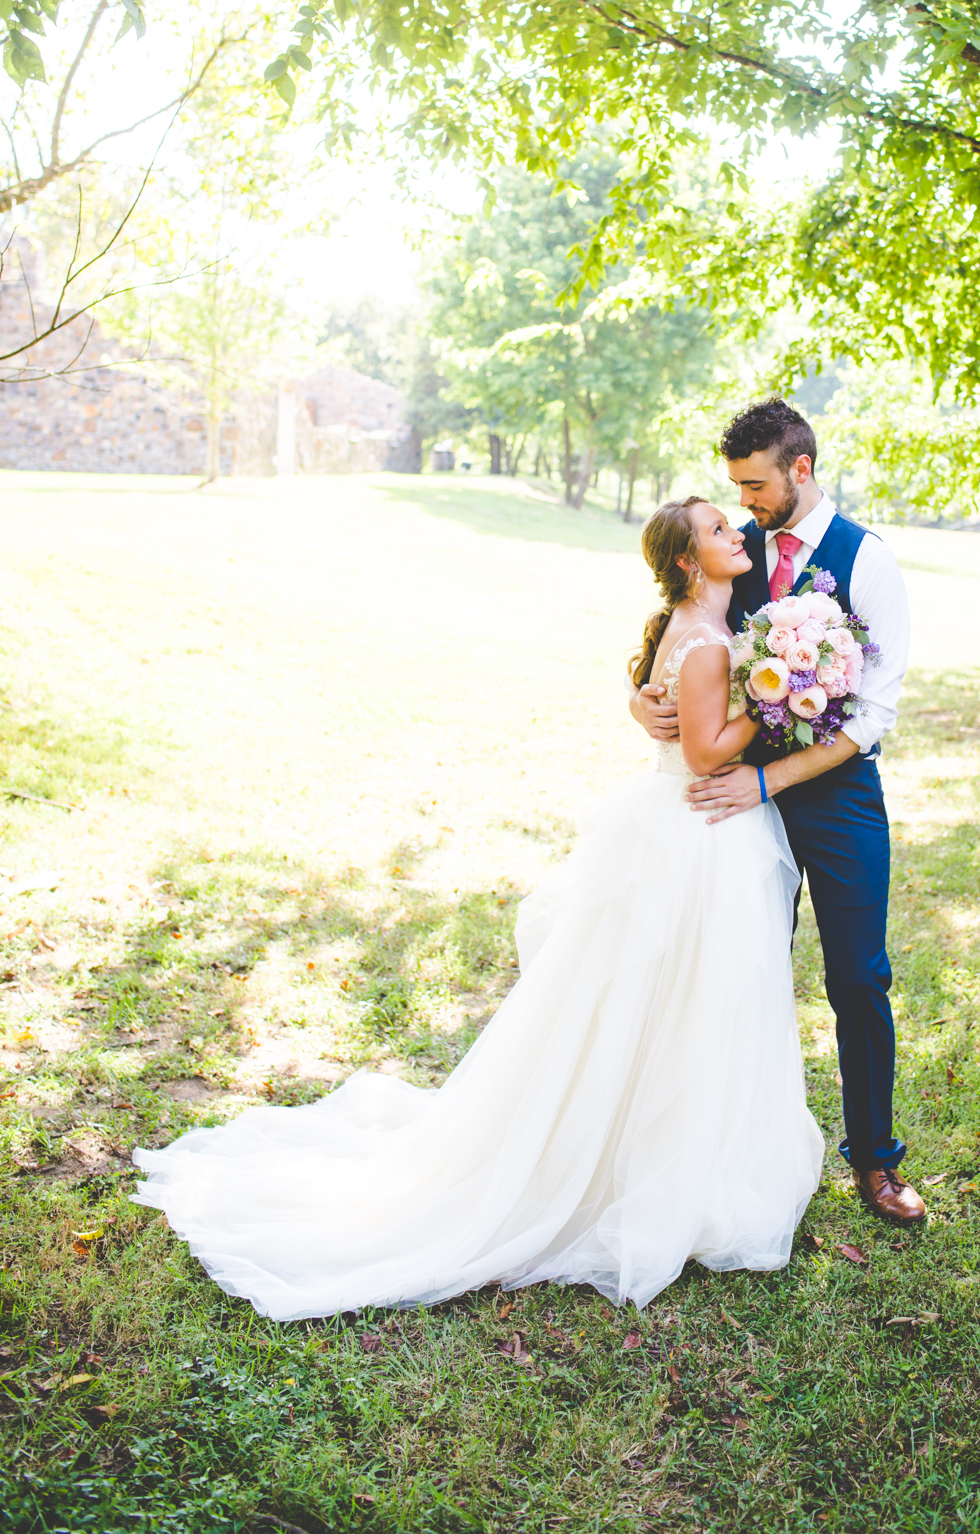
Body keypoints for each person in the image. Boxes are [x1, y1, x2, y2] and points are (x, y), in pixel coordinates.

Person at [133, 499, 822, 1321]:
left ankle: (657, 1156)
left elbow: (668, 697)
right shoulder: (707, 639)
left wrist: (732, 681)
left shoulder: (701, 623)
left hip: (679, 825)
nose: (735, 534)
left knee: (667, 1004)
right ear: (686, 561)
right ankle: (657, 1174)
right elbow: (707, 749)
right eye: (717, 531)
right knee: (688, 997)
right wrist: (787, 697)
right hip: (699, 833)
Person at [631, 400, 925, 1224]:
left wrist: (770, 781)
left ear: (799, 469)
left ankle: (875, 1163)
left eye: (757, 486)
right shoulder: (731, 550)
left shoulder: (869, 562)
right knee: (734, 974)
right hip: (729, 808)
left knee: (858, 977)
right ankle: (716, 1153)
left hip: (829, 798)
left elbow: (872, 716)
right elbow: (677, 638)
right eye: (737, 491)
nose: (747, 504)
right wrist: (636, 700)